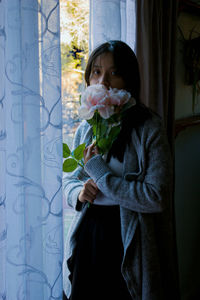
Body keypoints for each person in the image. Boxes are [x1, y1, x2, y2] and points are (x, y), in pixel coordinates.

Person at [62, 40, 180, 300]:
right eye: (96, 71)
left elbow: (157, 196)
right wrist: (79, 194)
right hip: (90, 235)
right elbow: (69, 180)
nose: (103, 81)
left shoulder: (149, 128)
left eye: (114, 73)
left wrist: (102, 176)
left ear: (129, 79)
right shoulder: (86, 126)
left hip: (130, 240)